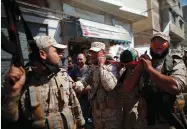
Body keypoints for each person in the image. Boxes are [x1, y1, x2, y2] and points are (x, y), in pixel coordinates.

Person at [2, 36, 85, 129]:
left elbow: (74, 103)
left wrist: (81, 125)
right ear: (42, 54)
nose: (61, 55)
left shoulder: (62, 75)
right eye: (56, 51)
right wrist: (13, 93)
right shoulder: (24, 81)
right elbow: (10, 118)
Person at [121, 32, 187, 129]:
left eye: (162, 42)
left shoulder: (176, 63)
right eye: (154, 42)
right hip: (145, 122)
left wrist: (150, 69)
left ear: (168, 46)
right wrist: (139, 68)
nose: (158, 44)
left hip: (167, 123)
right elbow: (126, 89)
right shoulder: (144, 64)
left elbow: (175, 86)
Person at [74, 42, 122, 129]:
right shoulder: (92, 68)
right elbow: (84, 80)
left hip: (111, 115)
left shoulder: (113, 67)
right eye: (91, 52)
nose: (92, 55)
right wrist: (75, 86)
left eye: (96, 52)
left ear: (103, 53)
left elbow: (110, 86)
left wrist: (101, 66)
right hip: (97, 114)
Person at [118, 49, 140, 129]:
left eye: (128, 63)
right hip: (123, 107)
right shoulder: (124, 70)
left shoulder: (139, 70)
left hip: (134, 108)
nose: (126, 65)